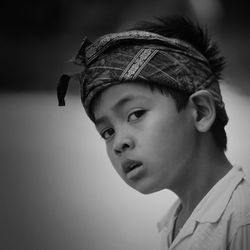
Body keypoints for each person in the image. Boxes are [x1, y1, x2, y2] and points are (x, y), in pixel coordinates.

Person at [57, 16, 250, 250]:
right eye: (107, 132)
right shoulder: (174, 225)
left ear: (200, 111)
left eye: (136, 114)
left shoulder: (241, 221)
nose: (119, 143)